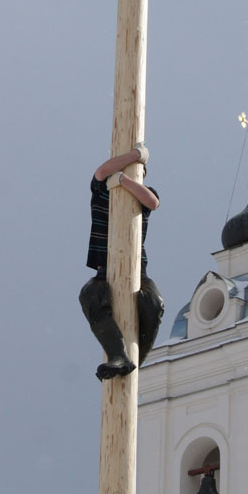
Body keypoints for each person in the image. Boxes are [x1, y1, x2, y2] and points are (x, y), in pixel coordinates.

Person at [79, 142, 165, 380]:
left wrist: (126, 181)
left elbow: (152, 202)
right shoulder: (101, 191)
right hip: (105, 265)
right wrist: (133, 155)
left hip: (138, 267)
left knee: (153, 303)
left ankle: (136, 359)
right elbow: (101, 172)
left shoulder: (140, 197)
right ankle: (118, 354)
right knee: (91, 296)